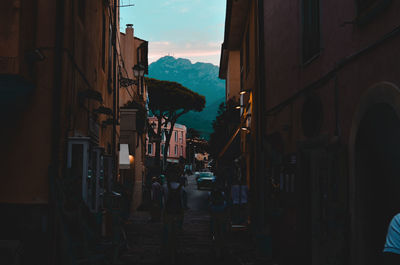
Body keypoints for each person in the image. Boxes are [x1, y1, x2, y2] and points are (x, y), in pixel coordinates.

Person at [162, 164, 185, 264]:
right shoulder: (182, 188)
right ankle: (177, 252)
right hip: (178, 213)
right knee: (177, 234)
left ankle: (167, 254)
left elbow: (163, 202)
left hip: (168, 213)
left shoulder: (165, 187)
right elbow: (183, 203)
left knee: (167, 234)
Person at [208, 185, 228, 258]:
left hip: (214, 220)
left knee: (214, 233)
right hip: (222, 220)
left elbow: (209, 211)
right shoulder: (224, 204)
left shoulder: (211, 205)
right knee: (221, 233)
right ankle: (221, 247)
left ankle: (215, 245)